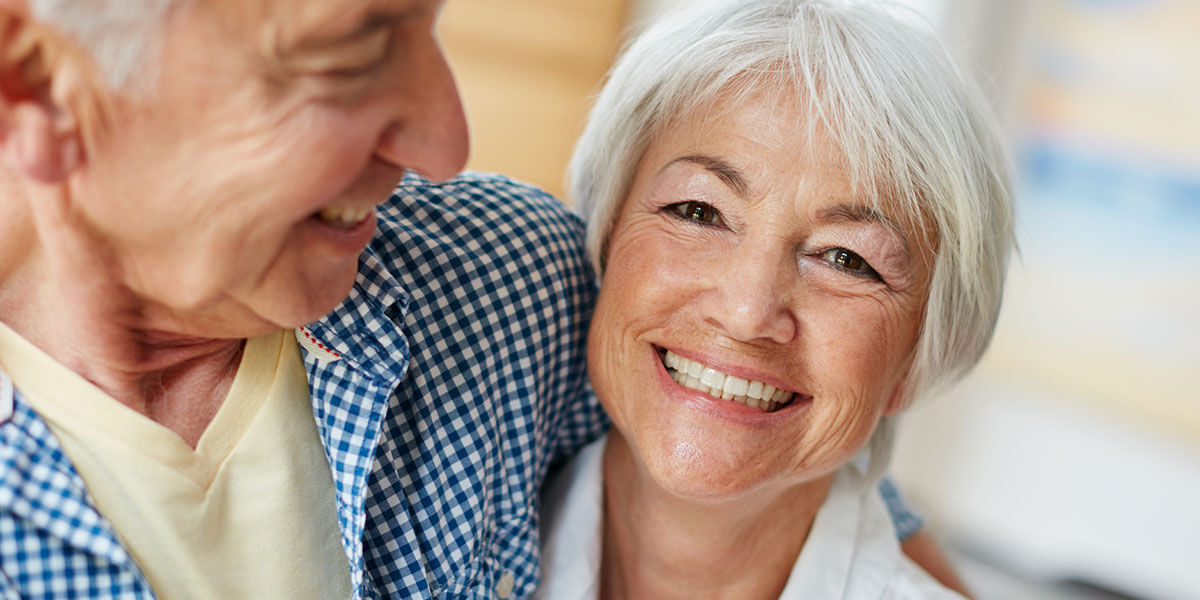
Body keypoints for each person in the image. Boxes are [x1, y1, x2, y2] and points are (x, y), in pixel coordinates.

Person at [0, 0, 958, 599]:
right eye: (346, 50)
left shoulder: (497, 272)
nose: (446, 141)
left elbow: (770, 421)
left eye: (424, 23)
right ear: (40, 88)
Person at [536, 0, 1014, 598]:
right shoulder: (425, 538)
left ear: (923, 355)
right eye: (699, 211)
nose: (746, 312)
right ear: (605, 241)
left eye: (846, 259)